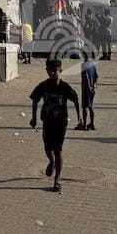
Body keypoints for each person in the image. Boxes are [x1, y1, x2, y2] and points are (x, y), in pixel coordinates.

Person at [29, 57, 82, 192]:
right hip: (47, 121)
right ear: (46, 70)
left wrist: (79, 117)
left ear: (60, 70)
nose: (52, 73)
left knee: (58, 149)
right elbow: (35, 99)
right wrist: (34, 118)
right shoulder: (44, 85)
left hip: (60, 123)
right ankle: (51, 161)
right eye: (50, 70)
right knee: (47, 147)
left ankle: (57, 179)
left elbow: (76, 99)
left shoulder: (64, 87)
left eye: (55, 70)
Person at [75, 55, 99, 131]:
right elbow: (97, 75)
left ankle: (84, 125)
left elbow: (85, 76)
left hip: (86, 89)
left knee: (84, 107)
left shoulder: (84, 65)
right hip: (92, 89)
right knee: (91, 106)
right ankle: (92, 123)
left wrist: (88, 87)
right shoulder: (92, 64)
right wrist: (94, 85)